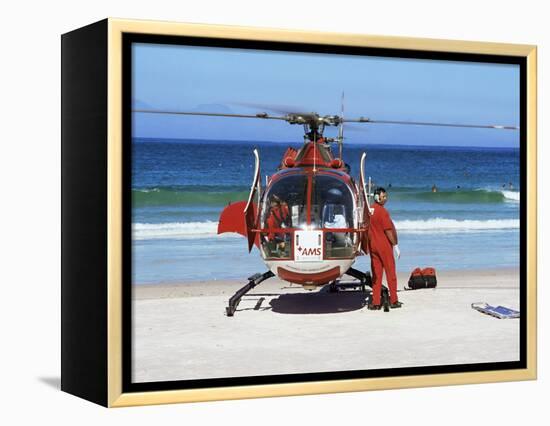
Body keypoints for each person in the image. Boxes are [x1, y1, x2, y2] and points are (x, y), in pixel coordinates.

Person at [367, 187, 402, 310]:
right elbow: (388, 230)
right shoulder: (383, 212)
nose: (386, 198)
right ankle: (394, 300)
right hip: (384, 246)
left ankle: (376, 302)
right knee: (390, 273)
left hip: (373, 246)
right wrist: (395, 245)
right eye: (383, 196)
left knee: (376, 275)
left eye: (386, 196)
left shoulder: (369, 210)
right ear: (377, 197)